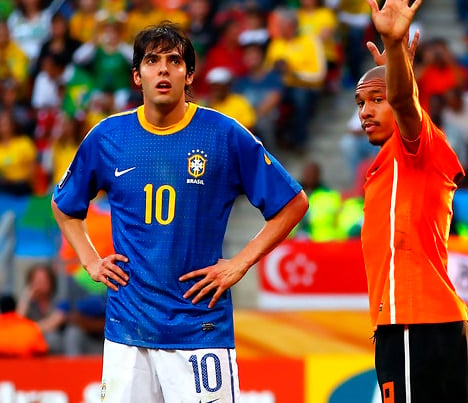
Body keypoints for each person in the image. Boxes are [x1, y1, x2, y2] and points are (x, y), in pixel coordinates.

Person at [51, 22, 309, 402]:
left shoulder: (223, 134)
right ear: (137, 75)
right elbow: (65, 205)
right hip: (127, 330)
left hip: (199, 326)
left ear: (189, 75)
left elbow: (293, 203)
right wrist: (90, 260)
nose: (163, 70)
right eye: (152, 61)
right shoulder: (108, 137)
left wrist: (240, 263)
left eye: (174, 61)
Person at [357, 0, 468, 402]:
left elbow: (406, 102)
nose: (366, 111)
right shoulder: (385, 165)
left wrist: (393, 48)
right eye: (361, 103)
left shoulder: (415, 145)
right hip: (419, 326)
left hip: (413, 324)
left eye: (375, 99)